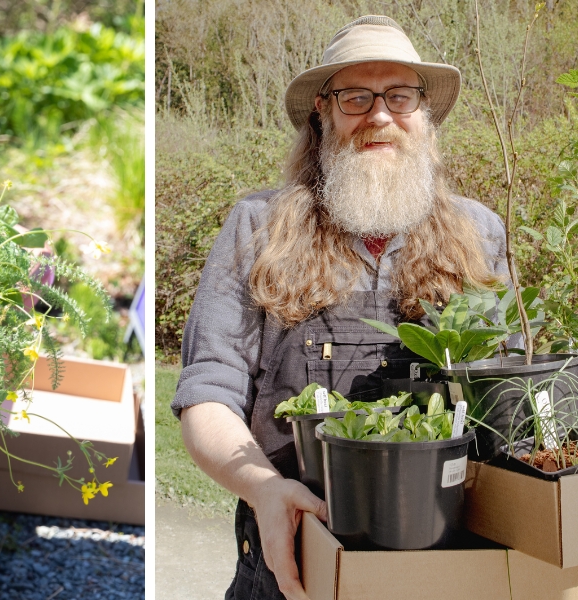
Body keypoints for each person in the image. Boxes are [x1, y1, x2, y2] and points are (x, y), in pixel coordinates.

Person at [170, 15, 509, 600]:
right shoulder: (258, 226)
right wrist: (262, 486)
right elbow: (208, 388)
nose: (379, 115)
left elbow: (504, 392)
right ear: (321, 114)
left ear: (424, 115)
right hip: (291, 556)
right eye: (355, 97)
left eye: (400, 96)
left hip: (439, 560)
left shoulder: (479, 232)